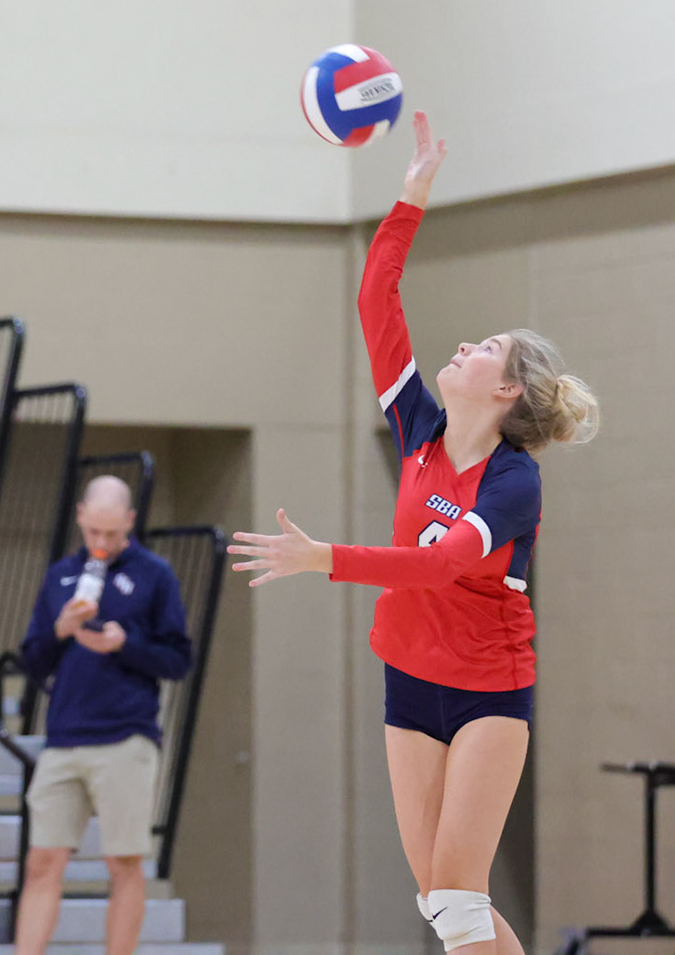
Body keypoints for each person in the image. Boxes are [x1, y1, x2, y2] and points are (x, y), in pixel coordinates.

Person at [226, 111, 599, 955]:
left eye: (486, 347)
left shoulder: (511, 482)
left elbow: (438, 570)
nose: (464, 345)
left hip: (486, 691)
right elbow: (374, 300)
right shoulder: (420, 430)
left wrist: (325, 559)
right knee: (440, 901)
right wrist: (409, 198)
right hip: (409, 677)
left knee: (461, 897)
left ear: (507, 390)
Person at [15, 476, 193, 955]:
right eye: (94, 532)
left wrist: (125, 643)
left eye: (111, 534)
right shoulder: (60, 576)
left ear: (130, 523)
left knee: (124, 862)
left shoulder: (155, 574)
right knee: (42, 860)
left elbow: (179, 658)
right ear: (80, 518)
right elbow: (32, 660)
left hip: (125, 735)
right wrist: (60, 630)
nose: (101, 543)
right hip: (64, 736)